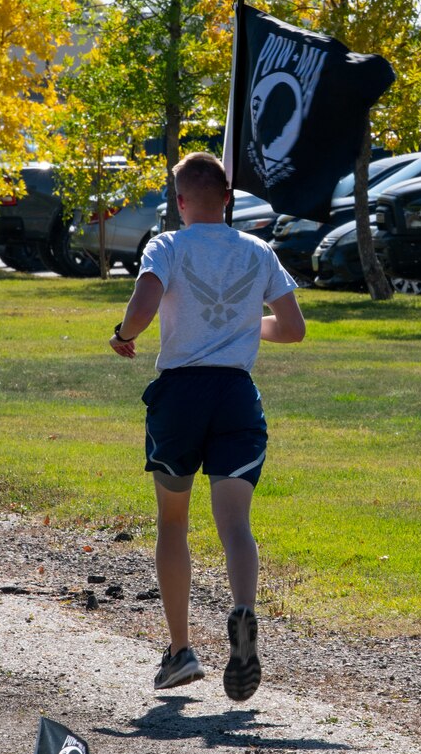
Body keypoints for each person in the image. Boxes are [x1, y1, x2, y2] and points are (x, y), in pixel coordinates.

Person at [109, 152, 304, 699]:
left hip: (181, 396)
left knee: (173, 522)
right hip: (237, 397)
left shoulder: (167, 245)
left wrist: (124, 331)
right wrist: (244, 328)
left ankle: (180, 650)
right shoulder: (258, 250)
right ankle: (243, 611)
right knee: (235, 524)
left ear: (179, 202)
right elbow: (292, 328)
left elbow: (145, 303)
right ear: (227, 199)